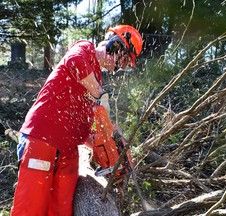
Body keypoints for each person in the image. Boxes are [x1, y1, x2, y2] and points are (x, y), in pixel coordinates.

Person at [10, 24, 142, 216]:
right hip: (42, 137)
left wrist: (107, 146)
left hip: (67, 150)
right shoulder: (85, 49)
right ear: (116, 46)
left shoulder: (97, 79)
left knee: (62, 210)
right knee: (30, 209)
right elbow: (74, 61)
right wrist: (99, 95)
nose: (118, 67)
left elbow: (84, 128)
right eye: (122, 60)